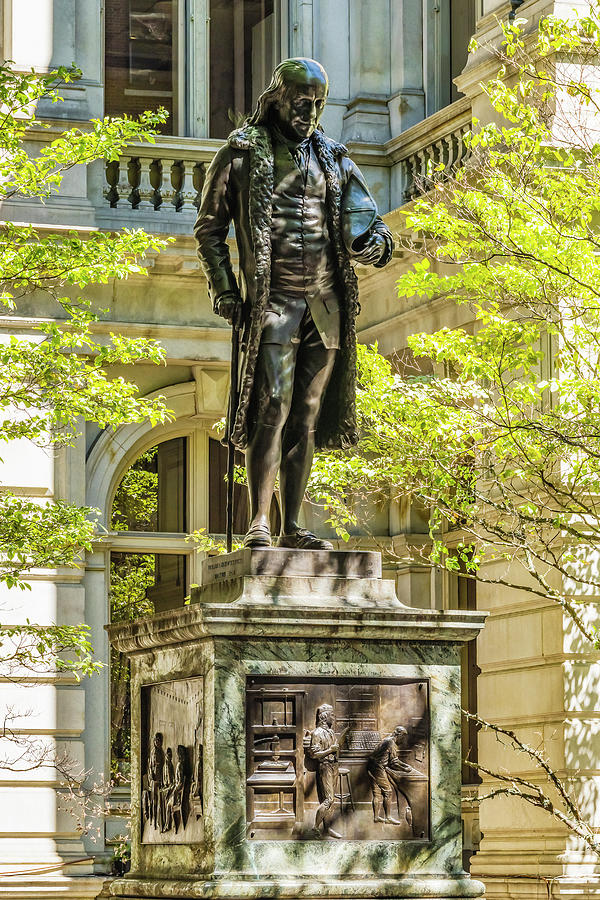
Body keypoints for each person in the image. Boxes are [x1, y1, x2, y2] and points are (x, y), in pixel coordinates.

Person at [195, 57, 393, 550]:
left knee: (305, 415)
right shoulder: (241, 154)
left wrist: (377, 245)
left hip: (325, 303)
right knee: (272, 407)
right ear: (277, 96)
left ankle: (292, 526)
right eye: (302, 100)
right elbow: (209, 230)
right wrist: (224, 291)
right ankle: (259, 521)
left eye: (318, 103)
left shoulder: (333, 158)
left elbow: (372, 225)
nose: (310, 110)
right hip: (272, 300)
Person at [306, 703, 342, 838]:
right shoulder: (317, 733)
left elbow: (334, 749)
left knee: (331, 801)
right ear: (324, 716)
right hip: (325, 767)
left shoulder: (331, 732)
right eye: (332, 715)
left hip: (334, 766)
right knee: (328, 799)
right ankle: (315, 828)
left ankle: (328, 828)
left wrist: (336, 749)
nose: (334, 717)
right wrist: (330, 750)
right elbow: (314, 755)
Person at [367, 725, 411, 824]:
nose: (403, 741)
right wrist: (405, 769)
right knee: (388, 792)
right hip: (377, 768)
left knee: (377, 793)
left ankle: (376, 817)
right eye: (403, 738)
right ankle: (388, 818)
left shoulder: (386, 740)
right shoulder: (391, 743)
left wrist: (405, 766)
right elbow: (393, 762)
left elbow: (394, 760)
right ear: (399, 735)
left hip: (371, 767)